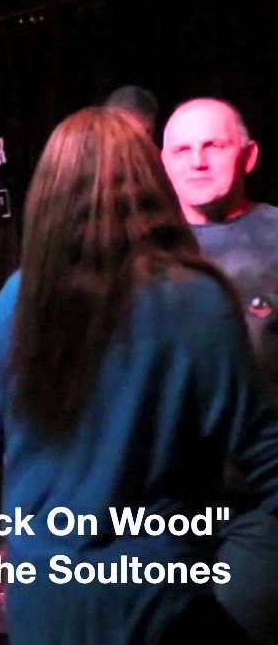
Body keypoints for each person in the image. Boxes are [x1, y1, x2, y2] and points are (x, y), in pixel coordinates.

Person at [0, 107, 278, 644]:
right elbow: (262, 452)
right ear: (151, 183)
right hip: (156, 598)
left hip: (43, 596)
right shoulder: (197, 299)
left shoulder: (18, 298)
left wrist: (1, 545)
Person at [162, 97, 278, 643]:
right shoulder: (138, 248)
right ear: (163, 163)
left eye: (214, 145)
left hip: (258, 507)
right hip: (156, 510)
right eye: (182, 149)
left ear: (248, 156)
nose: (198, 160)